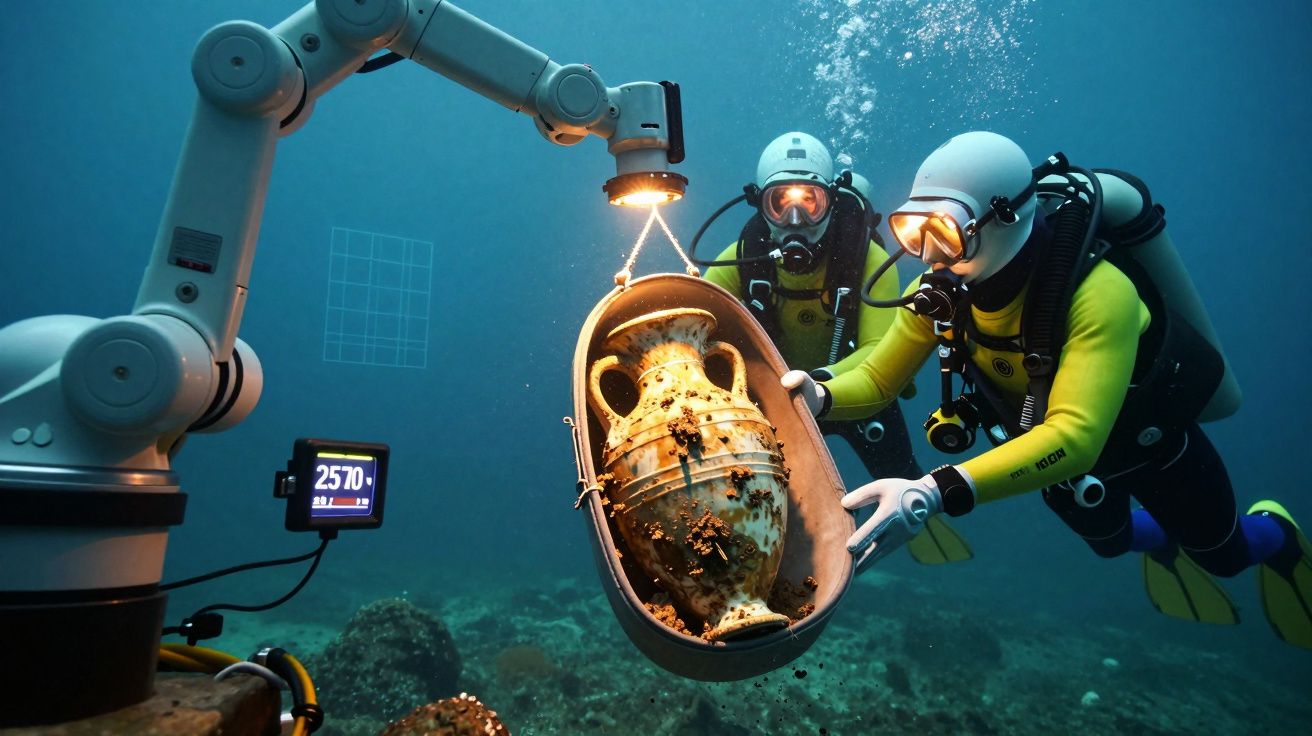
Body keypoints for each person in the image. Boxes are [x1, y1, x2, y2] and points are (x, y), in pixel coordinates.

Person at [782, 130, 1312, 648]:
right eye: (913, 230)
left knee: (1224, 556)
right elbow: (878, 378)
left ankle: (1277, 534)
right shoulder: (939, 293)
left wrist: (932, 491)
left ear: (1003, 217)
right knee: (1111, 543)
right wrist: (819, 396)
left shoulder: (1100, 293)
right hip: (1056, 465)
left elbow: (1075, 435)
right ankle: (1162, 537)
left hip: (1153, 449)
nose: (927, 253)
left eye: (944, 230)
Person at [698, 131, 971, 566]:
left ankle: (923, 534)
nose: (795, 219)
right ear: (760, 205)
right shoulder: (741, 259)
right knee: (762, 493)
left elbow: (880, 349)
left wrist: (818, 386)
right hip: (783, 404)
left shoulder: (867, 258)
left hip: (855, 396)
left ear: (831, 198)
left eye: (810, 202)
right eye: (779, 203)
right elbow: (696, 324)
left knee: (902, 475)